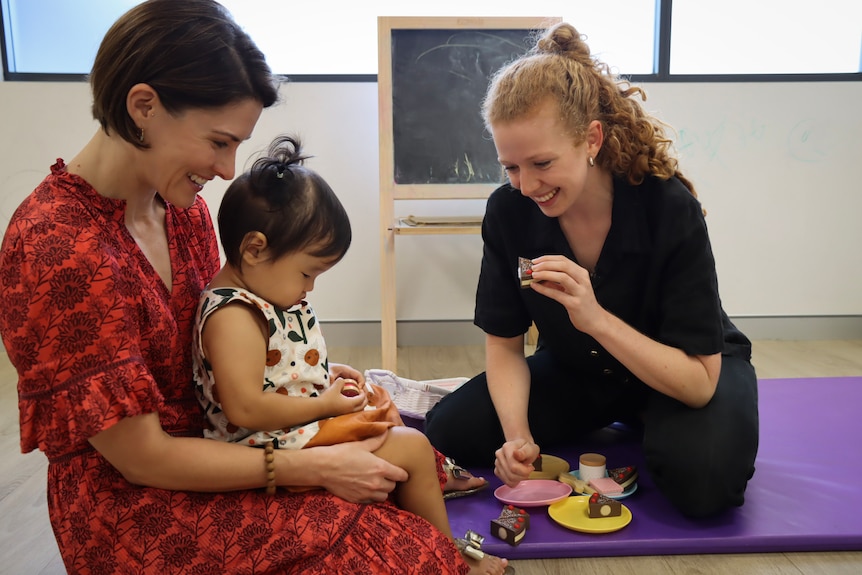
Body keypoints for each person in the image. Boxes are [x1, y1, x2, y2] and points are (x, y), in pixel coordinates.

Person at [0, 1, 506, 573]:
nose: (226, 168)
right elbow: (140, 460)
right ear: (144, 107)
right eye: (218, 142)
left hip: (225, 447)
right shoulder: (58, 247)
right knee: (384, 547)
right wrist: (309, 465)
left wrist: (305, 383)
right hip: (136, 506)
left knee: (394, 473)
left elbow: (222, 358)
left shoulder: (180, 213)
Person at [424, 22, 759, 519]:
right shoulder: (509, 212)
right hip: (582, 370)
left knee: (706, 485)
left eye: (541, 162)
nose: (527, 184)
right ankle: (624, 415)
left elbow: (698, 383)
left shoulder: (668, 207)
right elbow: (504, 344)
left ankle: (649, 417)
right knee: (448, 433)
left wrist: (595, 316)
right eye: (511, 167)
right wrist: (518, 437)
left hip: (681, 371)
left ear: (591, 139)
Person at [192, 134, 506, 574]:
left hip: (286, 428)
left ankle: (426, 497)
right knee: (412, 446)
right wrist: (324, 403)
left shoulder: (262, 294)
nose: (310, 287)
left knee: (383, 411)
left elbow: (276, 366)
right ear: (254, 248)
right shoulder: (234, 316)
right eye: (307, 272)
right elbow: (243, 407)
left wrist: (326, 373)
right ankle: (449, 553)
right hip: (263, 443)